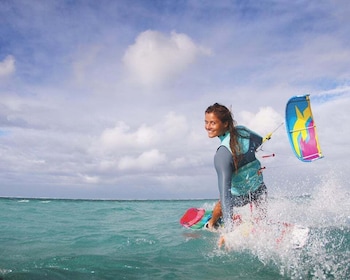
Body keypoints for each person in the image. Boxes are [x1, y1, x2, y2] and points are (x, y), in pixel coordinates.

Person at [204, 103, 267, 230]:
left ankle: (211, 224)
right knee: (262, 222)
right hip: (260, 190)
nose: (207, 127)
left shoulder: (222, 155)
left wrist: (229, 230)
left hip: (239, 198)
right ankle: (211, 223)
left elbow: (225, 196)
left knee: (222, 202)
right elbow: (259, 140)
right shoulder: (243, 131)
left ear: (225, 123)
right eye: (206, 122)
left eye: (212, 123)